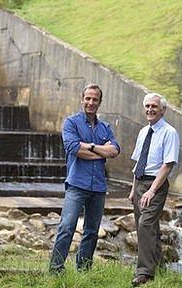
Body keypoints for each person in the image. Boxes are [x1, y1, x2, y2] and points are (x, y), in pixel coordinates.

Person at [49, 83, 121, 274]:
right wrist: (100, 150)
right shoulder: (71, 123)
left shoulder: (105, 127)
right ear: (82, 99)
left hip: (98, 186)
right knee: (67, 226)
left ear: (100, 102)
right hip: (76, 184)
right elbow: (74, 149)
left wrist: (89, 147)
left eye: (94, 99)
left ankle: (84, 270)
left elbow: (115, 150)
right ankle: (56, 269)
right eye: (87, 98)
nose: (91, 102)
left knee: (91, 231)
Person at [128, 92, 180, 286]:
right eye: (147, 106)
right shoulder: (143, 132)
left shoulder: (169, 132)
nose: (150, 110)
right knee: (150, 228)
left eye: (154, 107)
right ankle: (159, 267)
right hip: (140, 182)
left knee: (145, 224)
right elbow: (138, 163)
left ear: (162, 110)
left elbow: (167, 165)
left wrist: (151, 191)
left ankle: (145, 273)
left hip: (155, 185)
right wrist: (134, 189)